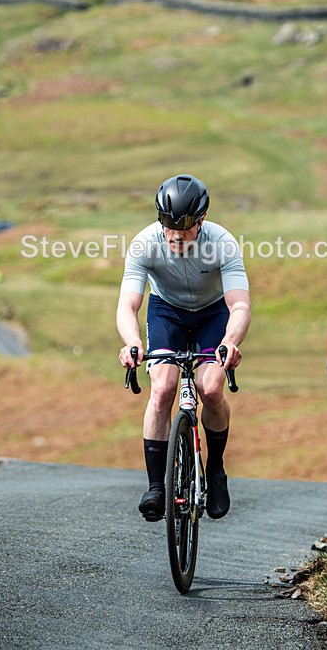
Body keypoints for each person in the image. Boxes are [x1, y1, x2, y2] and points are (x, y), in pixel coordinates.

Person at [117, 174, 251, 522]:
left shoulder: (222, 242)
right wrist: (132, 342)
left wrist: (229, 342)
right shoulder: (144, 244)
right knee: (162, 389)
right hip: (167, 311)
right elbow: (128, 305)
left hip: (212, 313)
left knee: (210, 387)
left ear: (201, 220)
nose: (175, 234)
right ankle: (156, 487)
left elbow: (240, 306)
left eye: (185, 226)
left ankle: (216, 470)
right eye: (168, 224)